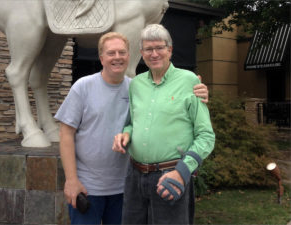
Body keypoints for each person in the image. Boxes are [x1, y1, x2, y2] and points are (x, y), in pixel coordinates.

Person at [55, 31, 209, 225]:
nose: (117, 57)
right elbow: (66, 132)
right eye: (111, 53)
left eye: (122, 52)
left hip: (126, 188)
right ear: (101, 58)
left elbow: (136, 122)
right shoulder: (85, 87)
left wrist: (198, 89)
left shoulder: (137, 86)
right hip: (89, 187)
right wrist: (71, 180)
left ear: (130, 56)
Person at [113, 24, 215, 225]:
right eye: (148, 49)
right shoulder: (136, 84)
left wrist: (182, 171)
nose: (154, 54)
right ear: (141, 53)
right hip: (135, 176)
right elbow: (131, 123)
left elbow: (206, 136)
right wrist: (126, 134)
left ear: (170, 49)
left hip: (172, 175)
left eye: (159, 47)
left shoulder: (189, 81)